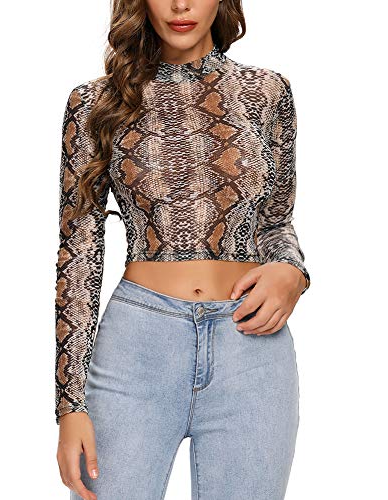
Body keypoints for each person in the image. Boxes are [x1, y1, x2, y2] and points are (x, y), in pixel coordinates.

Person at [54, 1, 311, 498]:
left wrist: (291, 271)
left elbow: (276, 222)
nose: (180, 4)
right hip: (137, 348)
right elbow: (78, 252)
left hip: (251, 349)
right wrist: (70, 405)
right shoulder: (95, 103)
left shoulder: (267, 92)